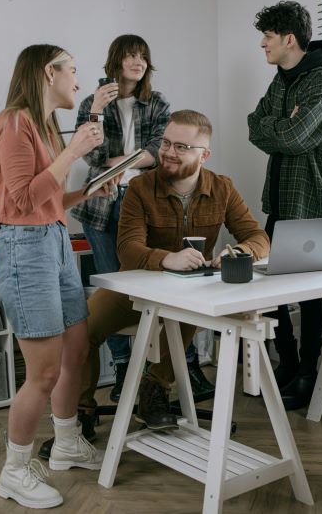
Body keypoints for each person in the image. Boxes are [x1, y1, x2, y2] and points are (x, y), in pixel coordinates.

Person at [81, 109, 269, 430]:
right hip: (133, 289)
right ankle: (78, 412)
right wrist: (167, 258)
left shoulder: (222, 188)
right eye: (166, 143)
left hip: (187, 294)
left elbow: (258, 238)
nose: (168, 152)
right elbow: (127, 249)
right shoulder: (140, 188)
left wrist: (240, 251)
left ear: (204, 155)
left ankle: (154, 392)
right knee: (80, 330)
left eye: (181, 147)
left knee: (186, 311)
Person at [0, 44, 109, 509]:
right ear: (48, 72)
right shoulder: (14, 122)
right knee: (43, 372)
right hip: (25, 248)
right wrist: (75, 148)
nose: (77, 82)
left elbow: (49, 199)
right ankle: (13, 472)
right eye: (72, 71)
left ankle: (66, 443)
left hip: (55, 240)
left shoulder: (41, 128)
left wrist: (89, 187)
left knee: (76, 350)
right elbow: (19, 202)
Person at [70, 35, 213, 414]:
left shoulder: (158, 102)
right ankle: (121, 370)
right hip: (101, 208)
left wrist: (118, 166)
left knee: (150, 279)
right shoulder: (92, 102)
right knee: (111, 285)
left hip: (143, 200)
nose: (137, 62)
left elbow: (156, 152)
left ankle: (156, 372)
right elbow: (90, 152)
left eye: (143, 56)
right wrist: (97, 113)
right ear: (116, 60)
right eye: (130, 55)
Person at [247, 1, 322, 411]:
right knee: (269, 287)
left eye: (268, 37)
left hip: (315, 199)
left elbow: (293, 137)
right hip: (284, 199)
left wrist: (279, 127)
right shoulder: (282, 79)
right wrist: (278, 124)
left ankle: (308, 373)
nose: (262, 44)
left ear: (289, 38)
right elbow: (255, 124)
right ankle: (287, 363)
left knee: (308, 294)